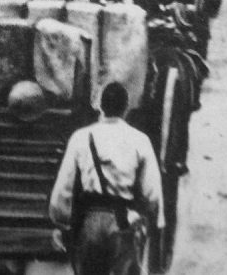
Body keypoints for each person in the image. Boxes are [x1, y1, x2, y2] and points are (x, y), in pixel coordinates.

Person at [49, 83, 163, 275]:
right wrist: (150, 222)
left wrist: (61, 223)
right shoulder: (140, 140)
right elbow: (152, 193)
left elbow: (64, 188)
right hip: (123, 221)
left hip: (89, 221)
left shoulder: (81, 137)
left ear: (101, 106)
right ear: (126, 107)